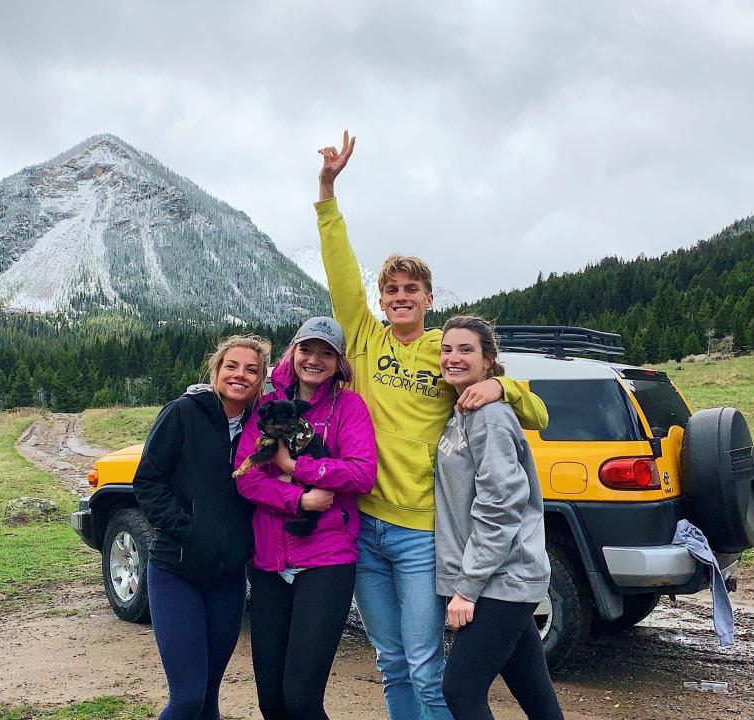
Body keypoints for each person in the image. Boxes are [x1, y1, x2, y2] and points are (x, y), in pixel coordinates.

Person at [315, 131, 549, 720]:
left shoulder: (445, 355)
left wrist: (502, 384)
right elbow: (339, 269)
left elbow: (535, 412)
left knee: (425, 663)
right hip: (364, 526)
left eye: (410, 290)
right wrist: (327, 192)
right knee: (389, 658)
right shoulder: (365, 340)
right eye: (391, 289)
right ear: (381, 297)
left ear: (427, 297)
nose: (399, 297)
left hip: (422, 531)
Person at [235, 316, 378, 720]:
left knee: (301, 699)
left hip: (326, 562)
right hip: (268, 562)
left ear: (339, 361)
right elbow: (247, 480)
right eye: (307, 349)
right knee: (271, 701)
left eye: (326, 352)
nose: (314, 359)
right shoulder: (267, 405)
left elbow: (362, 473)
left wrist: (295, 466)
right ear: (293, 351)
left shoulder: (349, 407)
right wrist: (301, 501)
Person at [133, 335, 271, 720]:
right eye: (232, 366)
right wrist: (186, 528)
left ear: (261, 380)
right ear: (216, 369)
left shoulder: (260, 429)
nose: (240, 375)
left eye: (251, 369)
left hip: (227, 579)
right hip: (177, 571)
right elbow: (147, 481)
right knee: (187, 698)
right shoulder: (182, 413)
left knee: (209, 698)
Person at [436, 315, 563, 720]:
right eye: (447, 349)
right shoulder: (464, 409)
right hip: (504, 579)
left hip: (501, 581)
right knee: (535, 694)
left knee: (460, 691)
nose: (453, 358)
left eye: (465, 349)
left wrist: (468, 587)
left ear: (489, 360)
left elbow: (500, 507)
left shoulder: (489, 415)